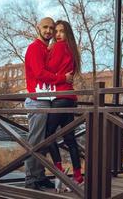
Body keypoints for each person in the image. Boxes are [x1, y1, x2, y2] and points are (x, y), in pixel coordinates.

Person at [24, 17, 73, 190]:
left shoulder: (48, 49)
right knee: (36, 141)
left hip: (48, 100)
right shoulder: (35, 48)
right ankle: (31, 179)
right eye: (45, 27)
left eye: (52, 28)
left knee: (45, 141)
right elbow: (39, 73)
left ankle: (39, 176)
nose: (49, 31)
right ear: (38, 27)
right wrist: (63, 78)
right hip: (37, 101)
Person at [45, 20, 83, 186]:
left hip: (60, 98)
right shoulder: (72, 50)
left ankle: (59, 171)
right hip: (70, 98)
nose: (58, 34)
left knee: (48, 135)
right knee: (70, 138)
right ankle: (78, 176)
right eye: (57, 31)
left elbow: (49, 67)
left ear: (67, 33)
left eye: (61, 31)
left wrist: (47, 53)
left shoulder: (59, 47)